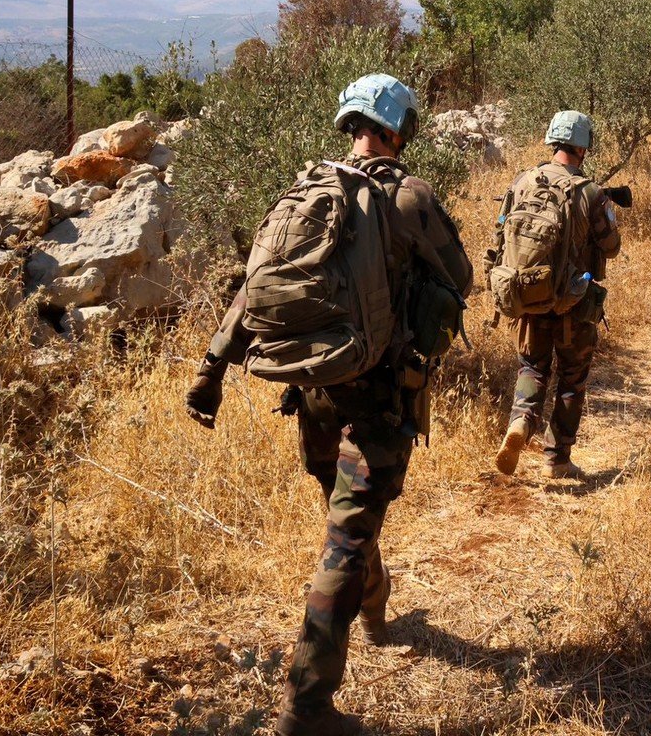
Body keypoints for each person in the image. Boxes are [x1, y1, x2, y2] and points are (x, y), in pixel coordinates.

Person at [183, 73, 473, 736]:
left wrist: (210, 372)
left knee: (347, 527)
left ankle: (373, 605)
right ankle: (307, 707)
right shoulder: (409, 197)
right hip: (378, 402)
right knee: (345, 541)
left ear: (351, 125)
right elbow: (462, 278)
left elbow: (251, 290)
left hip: (312, 391)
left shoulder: (308, 188)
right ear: (401, 130)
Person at [491, 110, 622, 481]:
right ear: (583, 147)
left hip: (528, 295)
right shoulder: (590, 193)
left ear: (552, 140)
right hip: (574, 303)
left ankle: (520, 421)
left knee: (532, 367)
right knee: (571, 378)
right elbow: (610, 247)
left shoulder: (522, 181)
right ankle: (557, 458)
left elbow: (499, 236)